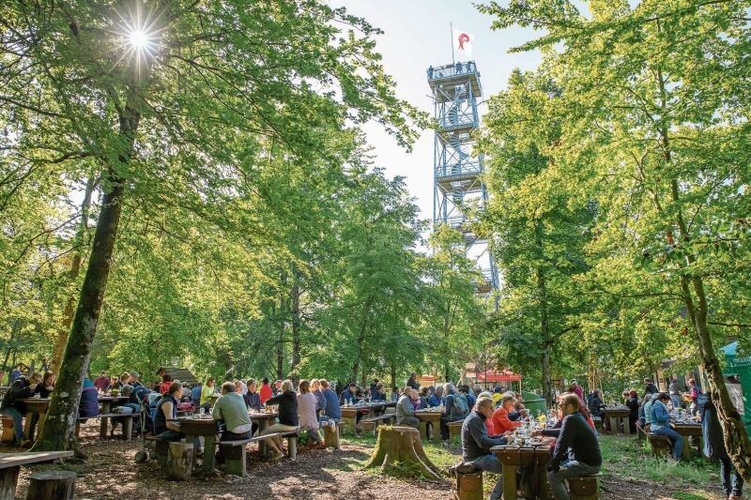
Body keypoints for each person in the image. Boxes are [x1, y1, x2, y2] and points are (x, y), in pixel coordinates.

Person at [543, 393, 602, 500]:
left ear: (569, 406)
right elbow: (562, 432)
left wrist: (555, 465)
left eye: (561, 405)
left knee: (552, 476)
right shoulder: (577, 416)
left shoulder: (570, 419)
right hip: (588, 461)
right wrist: (543, 431)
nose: (559, 408)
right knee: (550, 467)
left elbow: (561, 444)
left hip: (586, 464)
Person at [461, 396, 509, 500]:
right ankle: (495, 498)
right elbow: (483, 442)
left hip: (483, 454)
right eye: (491, 408)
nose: (494, 410)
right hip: (474, 458)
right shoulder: (474, 420)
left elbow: (486, 438)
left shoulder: (478, 418)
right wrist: (505, 440)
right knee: (509, 467)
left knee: (511, 461)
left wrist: (502, 435)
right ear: (482, 408)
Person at [702, 391, 744, 500]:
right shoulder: (723, 405)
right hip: (727, 440)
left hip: (716, 443)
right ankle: (735, 492)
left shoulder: (706, 405)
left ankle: (728, 492)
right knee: (740, 463)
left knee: (725, 463)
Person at [213, 381, 253, 464]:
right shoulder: (240, 396)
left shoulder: (221, 399)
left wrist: (225, 415)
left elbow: (215, 415)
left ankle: (223, 461)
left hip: (235, 434)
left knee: (222, 437)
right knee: (226, 431)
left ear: (224, 390)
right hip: (249, 432)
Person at [261, 380, 299, 461]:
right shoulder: (294, 396)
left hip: (286, 424)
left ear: (283, 388)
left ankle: (277, 452)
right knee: (272, 429)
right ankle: (280, 449)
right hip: (295, 424)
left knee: (263, 433)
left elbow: (268, 402)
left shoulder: (283, 396)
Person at [0, 374, 40, 446]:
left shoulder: (29, 385)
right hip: (7, 407)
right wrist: (28, 388)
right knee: (17, 415)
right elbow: (13, 394)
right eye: (36, 380)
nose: (36, 383)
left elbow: (27, 395)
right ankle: (21, 439)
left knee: (34, 414)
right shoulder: (19, 382)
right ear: (31, 378)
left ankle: (30, 437)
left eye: (38, 381)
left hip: (18, 408)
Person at [650, 392, 683, 461]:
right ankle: (677, 458)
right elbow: (660, 418)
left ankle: (673, 454)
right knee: (679, 438)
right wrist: (670, 416)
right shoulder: (658, 405)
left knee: (674, 436)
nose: (667, 402)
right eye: (667, 400)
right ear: (663, 400)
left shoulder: (658, 404)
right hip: (658, 427)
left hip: (658, 426)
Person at [297, 380, 323, 446]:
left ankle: (302, 441)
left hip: (302, 421)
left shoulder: (298, 397)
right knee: (311, 426)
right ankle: (315, 440)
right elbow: (315, 404)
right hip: (313, 420)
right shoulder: (311, 396)